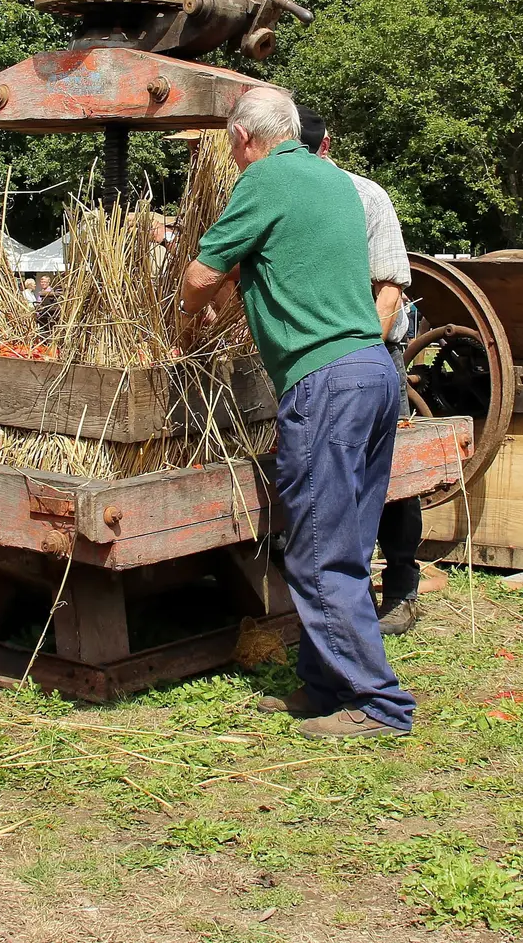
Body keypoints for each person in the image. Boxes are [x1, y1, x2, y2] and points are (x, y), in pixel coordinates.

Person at [175, 88, 413, 739]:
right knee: (345, 544)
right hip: (372, 370)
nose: (232, 157)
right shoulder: (333, 180)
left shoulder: (267, 177)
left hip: (324, 383)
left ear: (247, 139)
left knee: (313, 552)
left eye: (230, 146)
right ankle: (323, 683)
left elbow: (199, 276)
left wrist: (184, 311)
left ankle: (380, 704)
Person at [295, 105, 420, 635]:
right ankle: (330, 596)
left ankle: (401, 587)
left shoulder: (365, 195)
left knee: (385, 476)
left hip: (365, 356)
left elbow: (389, 287)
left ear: (324, 148)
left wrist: (358, 356)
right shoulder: (281, 197)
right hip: (311, 361)